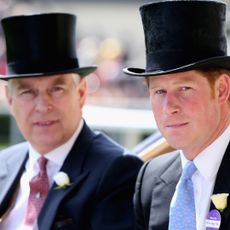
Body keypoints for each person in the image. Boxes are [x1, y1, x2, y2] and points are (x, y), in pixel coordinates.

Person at [0, 13, 143, 230]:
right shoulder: (4, 163)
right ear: (10, 99)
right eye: (27, 92)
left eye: (56, 89)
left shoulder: (117, 171)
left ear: (82, 92)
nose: (42, 105)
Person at [123, 1, 230, 230]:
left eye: (184, 89)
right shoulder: (151, 179)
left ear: (222, 89)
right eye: (159, 91)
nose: (169, 107)